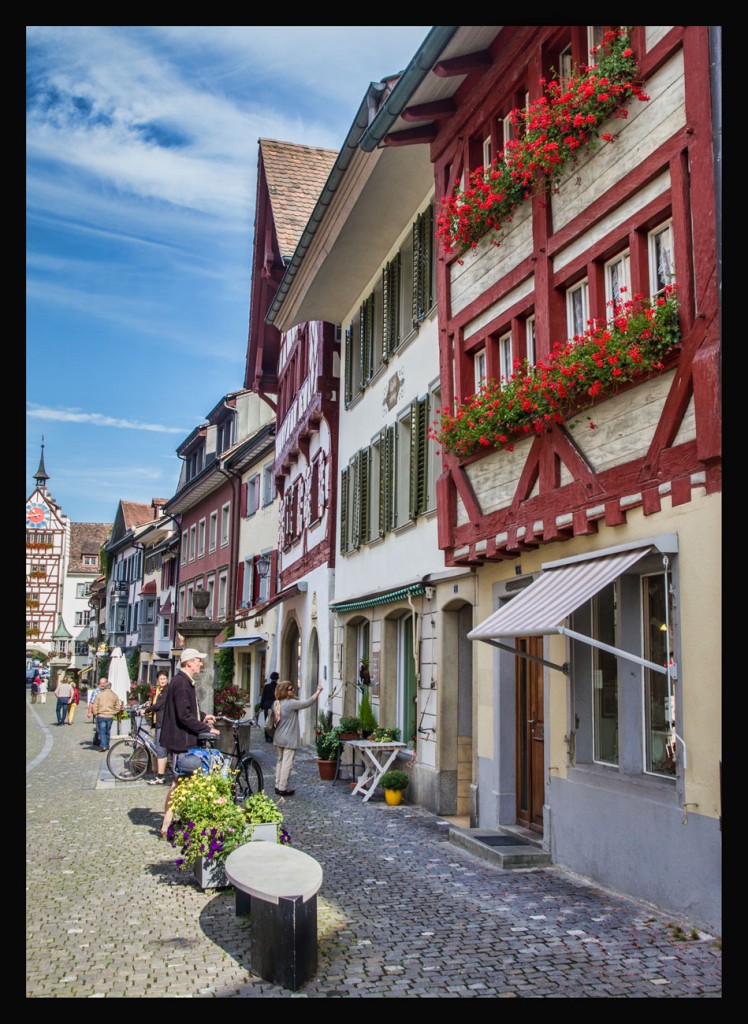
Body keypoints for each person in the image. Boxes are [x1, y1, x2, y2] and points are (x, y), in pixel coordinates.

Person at [157, 649, 219, 838]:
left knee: (180, 782)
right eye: (199, 660)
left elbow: (185, 711)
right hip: (181, 740)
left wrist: (202, 717)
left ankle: (168, 825)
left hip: (180, 739)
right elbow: (183, 715)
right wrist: (205, 729)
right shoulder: (182, 684)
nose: (201, 663)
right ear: (189, 663)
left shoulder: (181, 681)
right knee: (181, 782)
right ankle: (173, 824)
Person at [273, 679, 324, 796]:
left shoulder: (277, 703)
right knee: (287, 763)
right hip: (289, 738)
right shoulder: (290, 703)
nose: (293, 690)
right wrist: (318, 691)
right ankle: (283, 787)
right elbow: (307, 703)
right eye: (291, 689)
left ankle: (277, 785)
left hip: (278, 737)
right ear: (285, 691)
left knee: (280, 762)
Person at [145, 670, 170, 785]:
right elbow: (156, 703)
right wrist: (149, 705)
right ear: (157, 680)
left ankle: (160, 776)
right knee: (161, 750)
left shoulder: (166, 691)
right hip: (158, 722)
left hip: (163, 723)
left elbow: (159, 705)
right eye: (161, 679)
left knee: (160, 750)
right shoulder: (159, 690)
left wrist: (146, 710)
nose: (163, 680)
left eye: (164, 678)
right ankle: (161, 774)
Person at [91, 678, 124, 751]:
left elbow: (95, 705)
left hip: (101, 715)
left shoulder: (100, 695)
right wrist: (113, 712)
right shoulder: (114, 695)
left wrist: (95, 713)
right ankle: (107, 745)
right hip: (110, 716)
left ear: (105, 687)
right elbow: (118, 707)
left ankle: (103, 746)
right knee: (107, 731)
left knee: (102, 731)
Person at [259, 671, 280, 742]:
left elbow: (263, 697)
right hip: (276, 706)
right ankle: (272, 736)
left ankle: (266, 736)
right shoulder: (278, 686)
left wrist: (261, 706)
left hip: (267, 706)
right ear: (277, 678)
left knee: (267, 721)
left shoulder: (267, 686)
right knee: (274, 722)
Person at [86, 677, 106, 746]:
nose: (101, 685)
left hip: (106, 713)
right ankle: (101, 741)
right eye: (100, 683)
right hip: (98, 712)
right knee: (99, 728)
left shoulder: (108, 691)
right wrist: (89, 712)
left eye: (103, 683)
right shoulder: (96, 691)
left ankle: (100, 739)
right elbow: (91, 702)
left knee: (104, 728)